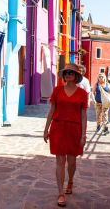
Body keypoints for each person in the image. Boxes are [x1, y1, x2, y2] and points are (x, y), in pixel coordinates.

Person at [43, 63, 88, 207]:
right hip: (58, 128)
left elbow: (84, 115)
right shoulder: (57, 90)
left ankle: (70, 181)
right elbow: (51, 110)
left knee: (72, 161)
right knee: (60, 161)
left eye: (71, 73)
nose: (68, 74)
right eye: (66, 72)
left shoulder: (82, 94)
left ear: (76, 76)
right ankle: (61, 193)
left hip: (74, 130)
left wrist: (83, 135)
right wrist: (46, 129)